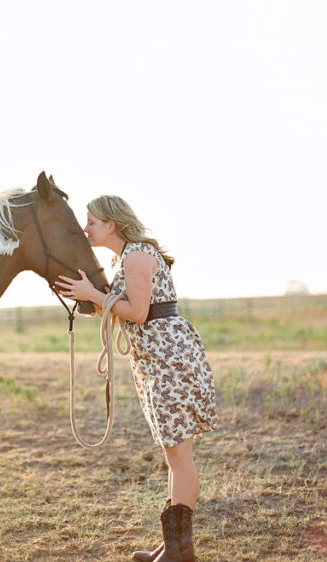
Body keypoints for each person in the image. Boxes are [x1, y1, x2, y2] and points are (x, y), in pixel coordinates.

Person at [55, 195, 218, 562]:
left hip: (168, 360)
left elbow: (139, 312)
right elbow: (121, 310)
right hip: (156, 361)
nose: (86, 228)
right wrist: (88, 297)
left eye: (91, 222)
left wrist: (96, 295)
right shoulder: (124, 257)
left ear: (110, 225)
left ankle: (179, 551)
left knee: (179, 456)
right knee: (174, 453)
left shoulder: (137, 254)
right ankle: (174, 546)